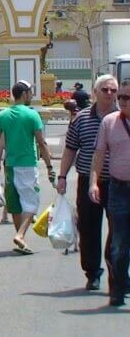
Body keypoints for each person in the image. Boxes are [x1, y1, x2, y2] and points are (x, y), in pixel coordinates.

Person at [58, 74, 117, 291]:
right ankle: (92, 273)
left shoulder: (123, 117)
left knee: (119, 229)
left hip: (117, 182)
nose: (109, 94)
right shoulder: (81, 118)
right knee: (88, 228)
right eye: (105, 89)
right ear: (95, 92)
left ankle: (117, 273)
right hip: (87, 180)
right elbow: (70, 149)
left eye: (113, 90)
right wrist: (62, 176)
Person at [0, 81, 54, 255]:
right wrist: (49, 166)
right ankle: (20, 235)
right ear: (24, 94)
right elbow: (41, 142)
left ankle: (21, 241)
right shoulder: (32, 115)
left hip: (10, 165)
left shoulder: (3, 115)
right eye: (30, 92)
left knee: (16, 205)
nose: (31, 95)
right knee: (32, 203)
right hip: (28, 165)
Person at [90, 79, 130, 306]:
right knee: (119, 243)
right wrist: (93, 183)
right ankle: (118, 288)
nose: (121, 101)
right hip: (118, 189)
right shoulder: (109, 122)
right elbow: (99, 155)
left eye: (126, 97)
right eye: (120, 96)